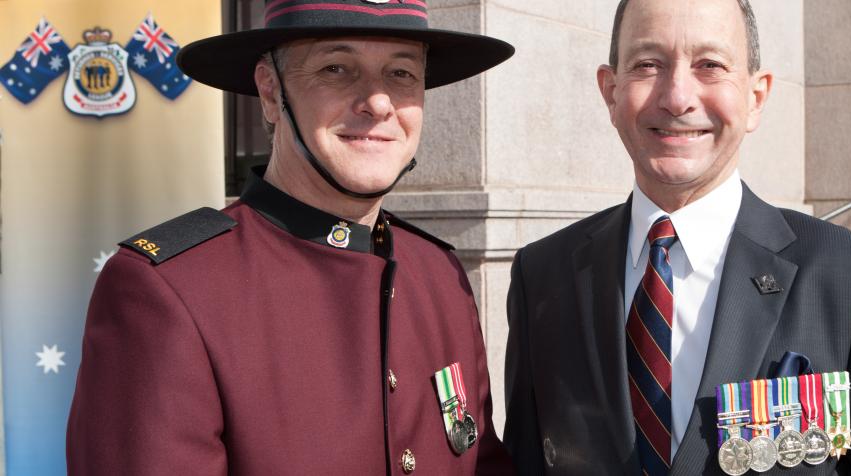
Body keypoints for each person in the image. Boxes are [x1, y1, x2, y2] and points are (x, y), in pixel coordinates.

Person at [502, 0, 851, 474]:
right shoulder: (543, 277)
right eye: (648, 64)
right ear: (610, 92)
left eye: (710, 65)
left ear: (756, 97)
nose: (677, 97)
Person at [67, 2, 515, 475]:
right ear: (270, 90)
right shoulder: (170, 290)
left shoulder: (439, 274)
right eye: (336, 68)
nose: (379, 102)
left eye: (401, 73)